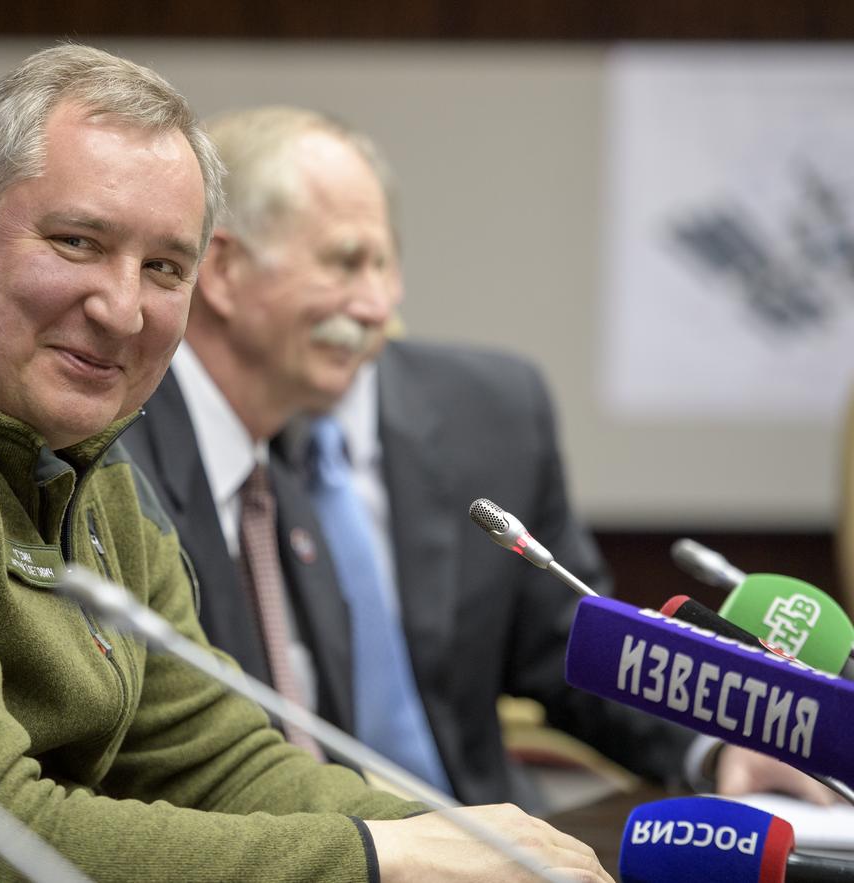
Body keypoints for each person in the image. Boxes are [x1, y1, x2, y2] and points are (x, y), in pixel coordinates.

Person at [0, 45, 613, 882]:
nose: (122, 309)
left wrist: (463, 843)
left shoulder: (73, 434)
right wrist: (373, 858)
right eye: (77, 242)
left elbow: (215, 756)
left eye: (164, 268)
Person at [122, 105, 836, 809]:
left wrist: (718, 745)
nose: (377, 304)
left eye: (385, 262)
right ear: (224, 271)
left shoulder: (491, 412)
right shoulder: (162, 447)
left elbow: (571, 642)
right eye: (345, 263)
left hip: (487, 822)